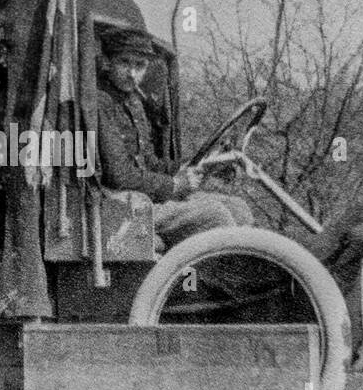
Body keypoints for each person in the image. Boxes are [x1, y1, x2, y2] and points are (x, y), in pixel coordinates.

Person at [96, 31, 253, 249]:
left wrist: (188, 167)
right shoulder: (100, 102)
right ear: (107, 62)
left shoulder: (132, 101)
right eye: (124, 62)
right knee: (215, 216)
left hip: (143, 196)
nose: (132, 73)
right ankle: (227, 280)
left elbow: (148, 161)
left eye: (140, 65)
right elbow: (119, 175)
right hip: (121, 203)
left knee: (238, 208)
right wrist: (174, 185)